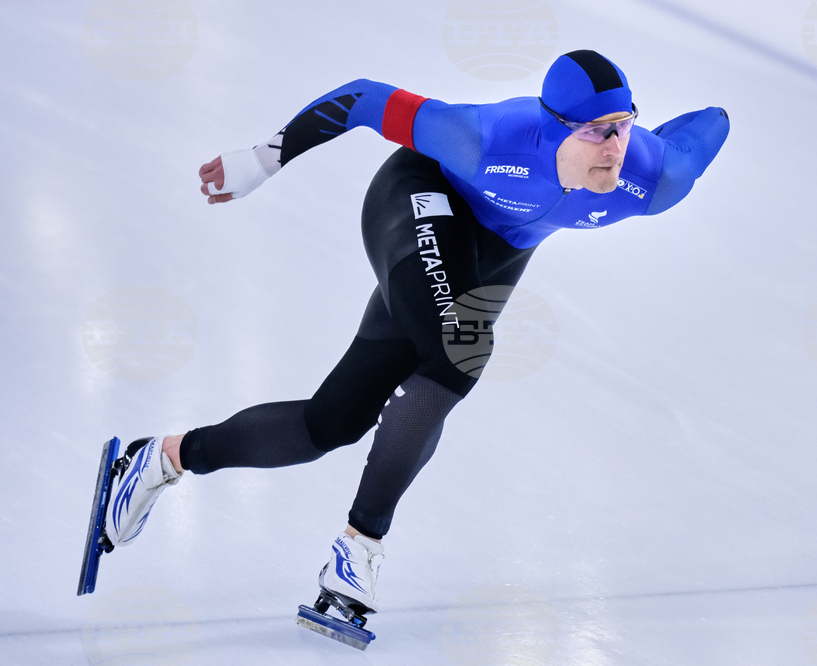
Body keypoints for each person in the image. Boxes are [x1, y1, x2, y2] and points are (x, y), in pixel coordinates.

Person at [103, 50, 730, 616]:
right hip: (421, 198)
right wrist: (264, 159)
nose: (615, 146)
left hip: (498, 251)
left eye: (623, 125)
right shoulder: (482, 137)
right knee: (461, 350)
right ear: (552, 125)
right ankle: (359, 548)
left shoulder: (651, 179)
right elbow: (366, 98)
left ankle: (162, 459)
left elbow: (709, 126)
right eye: (596, 132)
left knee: (333, 423)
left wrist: (674, 124)